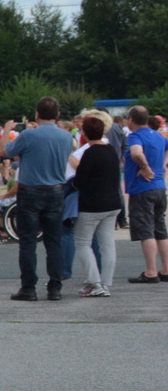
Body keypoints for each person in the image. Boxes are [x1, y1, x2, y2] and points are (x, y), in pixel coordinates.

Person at [4, 98, 76, 301]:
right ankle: (55, 286)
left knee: (27, 241)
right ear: (58, 115)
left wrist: (6, 131)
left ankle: (28, 287)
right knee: (54, 242)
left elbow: (6, 151)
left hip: (30, 190)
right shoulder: (65, 137)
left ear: (37, 114)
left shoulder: (28, 135)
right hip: (55, 190)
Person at [71, 116, 122, 296]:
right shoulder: (111, 150)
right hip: (113, 203)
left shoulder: (90, 153)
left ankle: (94, 282)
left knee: (83, 243)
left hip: (92, 205)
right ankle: (106, 283)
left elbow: (80, 180)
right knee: (107, 245)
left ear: (84, 134)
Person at [121, 105, 167, 284]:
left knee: (146, 230)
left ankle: (150, 271)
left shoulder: (135, 136)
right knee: (160, 228)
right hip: (159, 186)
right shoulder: (158, 135)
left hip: (142, 188)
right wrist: (163, 164)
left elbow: (136, 152)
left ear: (131, 119)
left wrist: (144, 166)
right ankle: (166, 268)